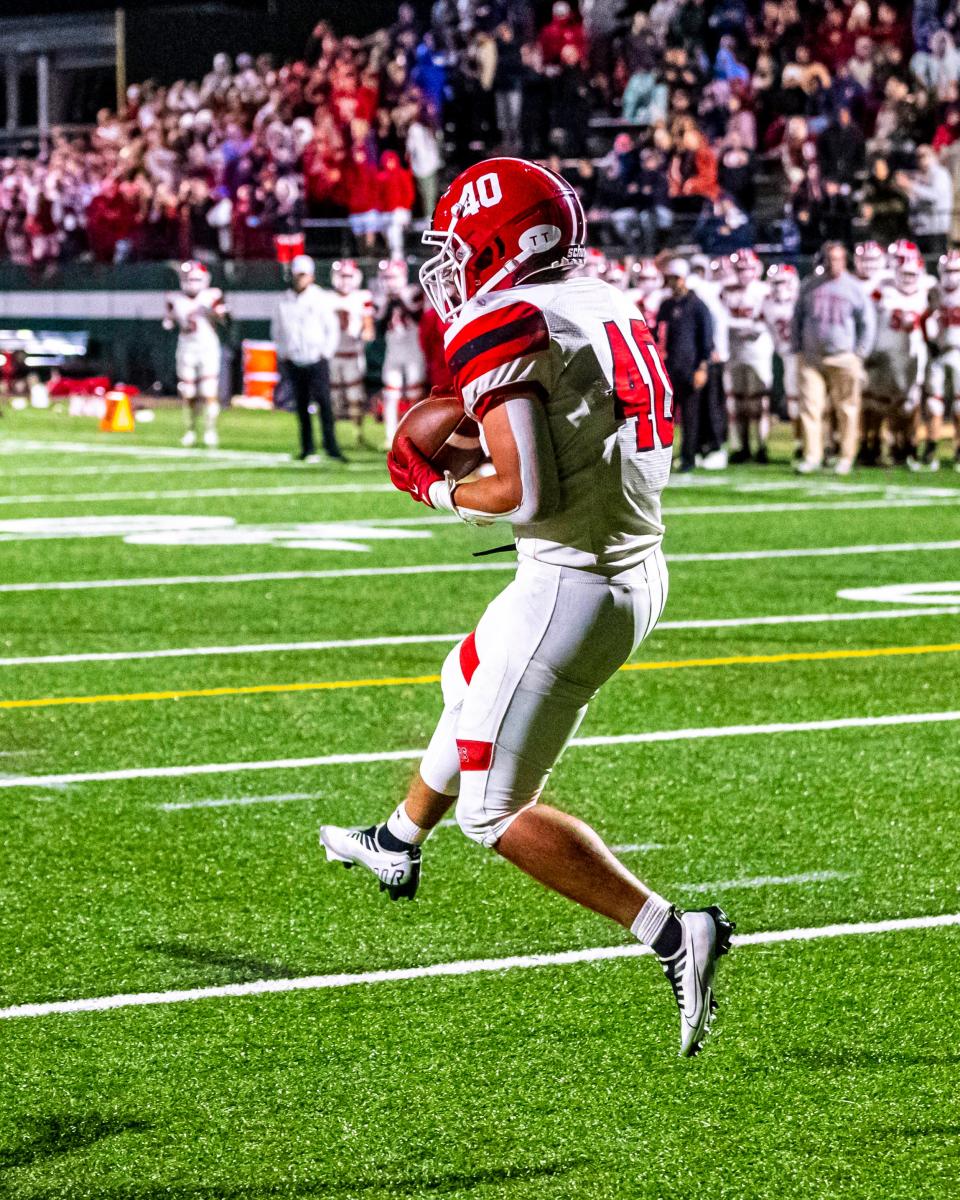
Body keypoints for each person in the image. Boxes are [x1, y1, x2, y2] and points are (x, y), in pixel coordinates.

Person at [318, 157, 734, 1058]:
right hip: (627, 566)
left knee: (494, 813)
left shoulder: (498, 318)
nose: (453, 264)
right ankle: (394, 838)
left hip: (571, 581)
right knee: (464, 672)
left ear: (508, 244)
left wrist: (432, 489)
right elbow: (573, 427)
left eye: (465, 244)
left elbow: (523, 490)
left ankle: (671, 930)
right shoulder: (606, 299)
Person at [791, 241, 876, 475]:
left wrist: (859, 353)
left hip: (843, 356)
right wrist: (797, 347)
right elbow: (797, 318)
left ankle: (846, 456)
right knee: (810, 408)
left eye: (838, 259)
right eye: (829, 259)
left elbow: (867, 323)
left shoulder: (854, 288)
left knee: (847, 408)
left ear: (845, 261)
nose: (833, 264)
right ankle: (812, 455)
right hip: (811, 357)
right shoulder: (810, 285)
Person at [270, 254, 344, 463]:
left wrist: (325, 353)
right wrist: (284, 352)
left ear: (311, 276)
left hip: (316, 358)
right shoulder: (283, 300)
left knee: (324, 404)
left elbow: (331, 328)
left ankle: (331, 446)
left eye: (303, 275)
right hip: (294, 359)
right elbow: (277, 330)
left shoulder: (320, 298)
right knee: (301, 405)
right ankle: (307, 447)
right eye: (297, 275)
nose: (300, 279)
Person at [656, 258, 716, 473]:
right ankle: (665, 457)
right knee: (665, 417)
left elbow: (706, 339)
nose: (673, 283)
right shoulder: (666, 305)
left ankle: (689, 456)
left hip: (689, 369)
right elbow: (658, 336)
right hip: (668, 368)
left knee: (690, 417)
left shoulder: (698, 306)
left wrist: (702, 367)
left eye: (676, 278)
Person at [163, 261, 229, 449]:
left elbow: (225, 320)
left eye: (194, 278)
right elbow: (168, 322)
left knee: (208, 391)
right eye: (187, 278)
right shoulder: (174, 299)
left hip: (207, 346)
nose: (191, 283)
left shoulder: (212, 296)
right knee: (188, 392)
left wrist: (216, 312)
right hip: (186, 347)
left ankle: (210, 430)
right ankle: (190, 430)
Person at [722, 248, 775, 463]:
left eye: (748, 268)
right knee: (737, 403)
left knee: (760, 402)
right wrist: (745, 326)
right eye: (740, 269)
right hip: (735, 352)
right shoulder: (725, 290)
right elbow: (723, 320)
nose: (744, 273)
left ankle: (762, 445)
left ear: (757, 269)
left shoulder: (764, 290)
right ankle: (741, 446)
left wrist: (738, 326)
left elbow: (762, 325)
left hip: (759, 352)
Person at [329, 258, 375, 449]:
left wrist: (364, 333)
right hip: (332, 354)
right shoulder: (326, 298)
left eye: (349, 276)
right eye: (342, 276)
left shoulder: (362, 297)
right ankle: (332, 437)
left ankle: (357, 435)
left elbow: (369, 328)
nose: (345, 281)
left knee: (355, 397)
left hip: (352, 354)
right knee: (333, 398)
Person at [895, 145, 954, 257]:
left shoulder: (940, 174)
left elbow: (934, 196)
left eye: (923, 155)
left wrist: (910, 185)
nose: (920, 159)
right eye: (917, 156)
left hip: (935, 231)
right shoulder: (920, 175)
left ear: (932, 155)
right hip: (920, 230)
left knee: (935, 266)